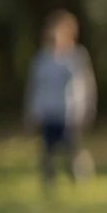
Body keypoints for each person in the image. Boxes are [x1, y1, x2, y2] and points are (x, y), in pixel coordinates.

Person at [24, 10, 95, 190]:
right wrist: (32, 112)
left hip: (69, 113)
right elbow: (35, 87)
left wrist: (87, 108)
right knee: (48, 153)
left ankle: (78, 180)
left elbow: (86, 85)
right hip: (49, 112)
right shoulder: (42, 60)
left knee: (72, 151)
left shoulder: (77, 57)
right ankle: (50, 184)